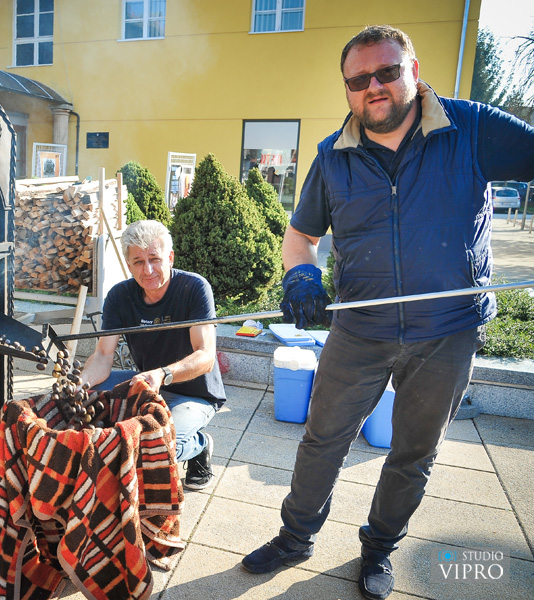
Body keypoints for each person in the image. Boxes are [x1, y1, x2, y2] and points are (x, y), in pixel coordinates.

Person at [240, 25, 534, 600]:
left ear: (414, 71)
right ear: (347, 90)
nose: (373, 86)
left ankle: (378, 548)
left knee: (413, 453)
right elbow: (300, 236)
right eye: (358, 79)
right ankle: (295, 537)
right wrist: (302, 274)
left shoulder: (470, 127)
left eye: (386, 72)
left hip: (446, 331)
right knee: (322, 440)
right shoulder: (332, 157)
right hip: (360, 328)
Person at [79, 220, 226, 490]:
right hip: (146, 383)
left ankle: (199, 445)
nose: (147, 270)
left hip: (194, 392)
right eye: (138, 261)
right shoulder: (119, 296)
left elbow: (205, 356)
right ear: (128, 264)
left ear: (169, 257)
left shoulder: (194, 288)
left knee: (158, 448)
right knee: (88, 402)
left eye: (155, 259)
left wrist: (163, 374)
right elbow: (102, 354)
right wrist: (81, 384)